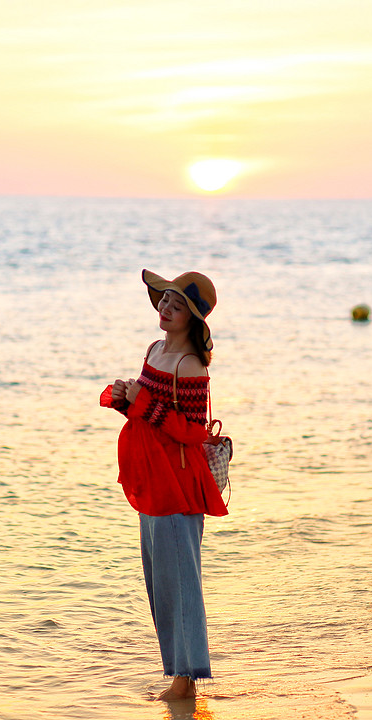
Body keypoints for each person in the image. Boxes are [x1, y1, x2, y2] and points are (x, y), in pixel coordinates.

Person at [100, 269, 228, 702]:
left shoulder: (190, 365)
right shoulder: (154, 350)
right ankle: (177, 672)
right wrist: (125, 400)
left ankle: (187, 680)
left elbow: (191, 431)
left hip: (178, 483)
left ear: (193, 318)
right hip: (150, 479)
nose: (165, 308)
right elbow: (147, 416)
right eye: (164, 300)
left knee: (181, 583)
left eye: (176, 305)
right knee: (158, 583)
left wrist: (144, 402)